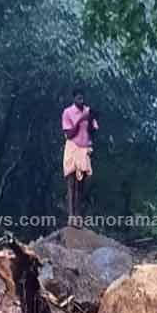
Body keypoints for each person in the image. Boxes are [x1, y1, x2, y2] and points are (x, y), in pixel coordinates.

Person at [61, 88, 98, 224]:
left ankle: (78, 216)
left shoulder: (88, 111)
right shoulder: (68, 112)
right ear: (74, 99)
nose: (81, 101)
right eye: (78, 98)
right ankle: (71, 216)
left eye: (82, 98)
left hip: (84, 148)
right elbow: (69, 134)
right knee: (71, 182)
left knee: (81, 184)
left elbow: (93, 131)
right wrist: (80, 119)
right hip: (72, 147)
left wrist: (90, 119)